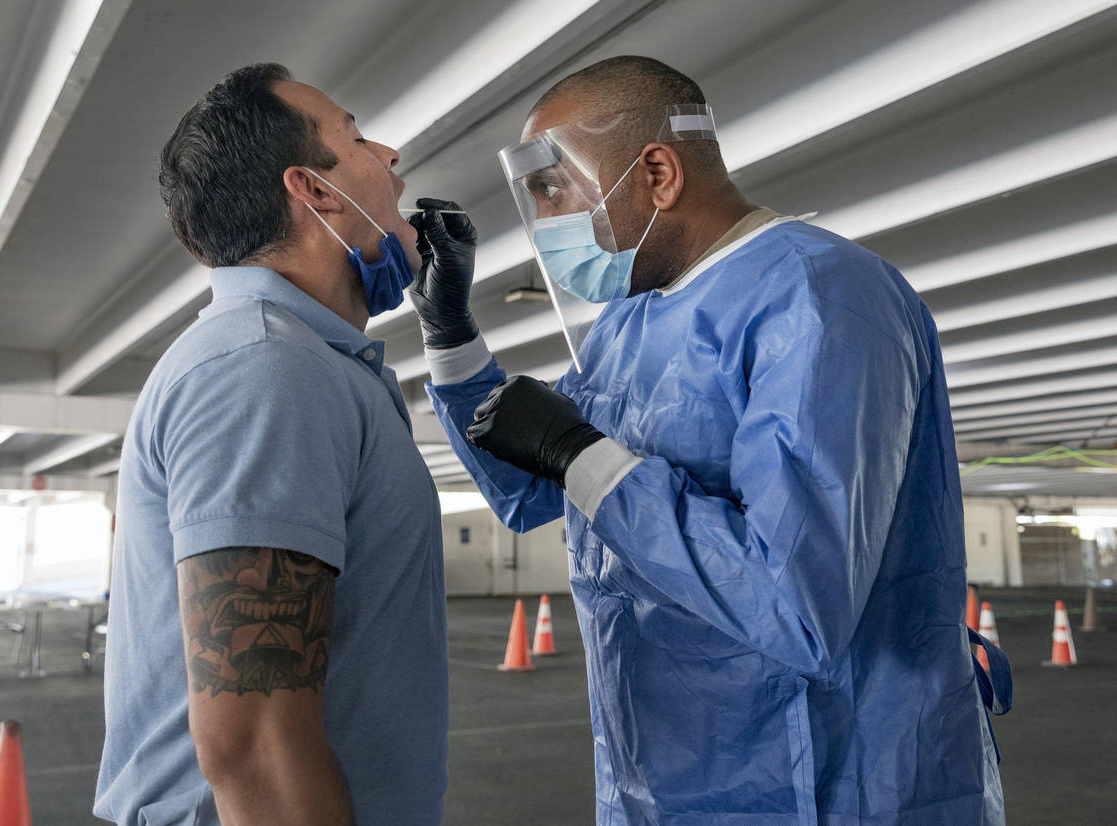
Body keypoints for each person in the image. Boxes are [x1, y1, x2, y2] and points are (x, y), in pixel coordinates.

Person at [411, 55, 1010, 824]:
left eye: (552, 188)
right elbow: (533, 487)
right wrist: (452, 337)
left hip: (833, 780)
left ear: (657, 174)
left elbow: (798, 604)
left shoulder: (821, 298)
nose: (546, 223)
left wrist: (583, 452)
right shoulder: (627, 324)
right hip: (665, 776)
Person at [94, 63, 456, 826]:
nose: (389, 156)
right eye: (356, 137)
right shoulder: (265, 368)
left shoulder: (309, 364)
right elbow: (252, 740)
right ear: (315, 190)